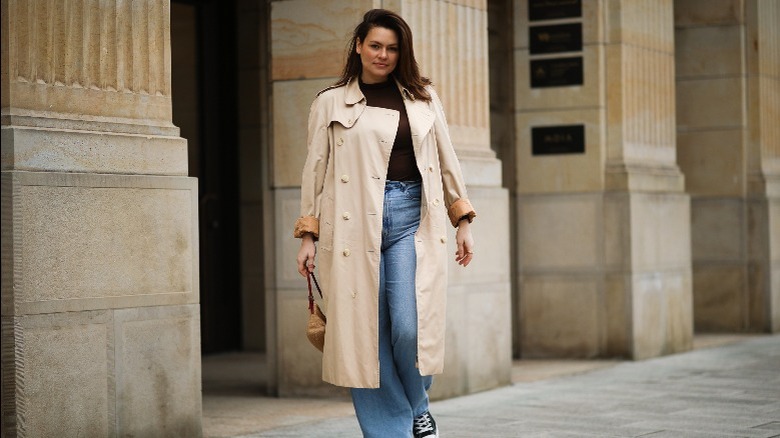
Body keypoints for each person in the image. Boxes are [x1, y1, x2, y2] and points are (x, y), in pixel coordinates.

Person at [294, 9, 476, 438]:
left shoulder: (423, 96)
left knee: (409, 326)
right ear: (358, 45)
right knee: (365, 339)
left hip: (412, 217)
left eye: (393, 48)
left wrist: (462, 219)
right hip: (353, 226)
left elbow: (447, 159)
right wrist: (307, 234)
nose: (383, 55)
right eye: (375, 45)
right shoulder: (330, 101)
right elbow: (314, 171)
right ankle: (391, 431)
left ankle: (417, 406)